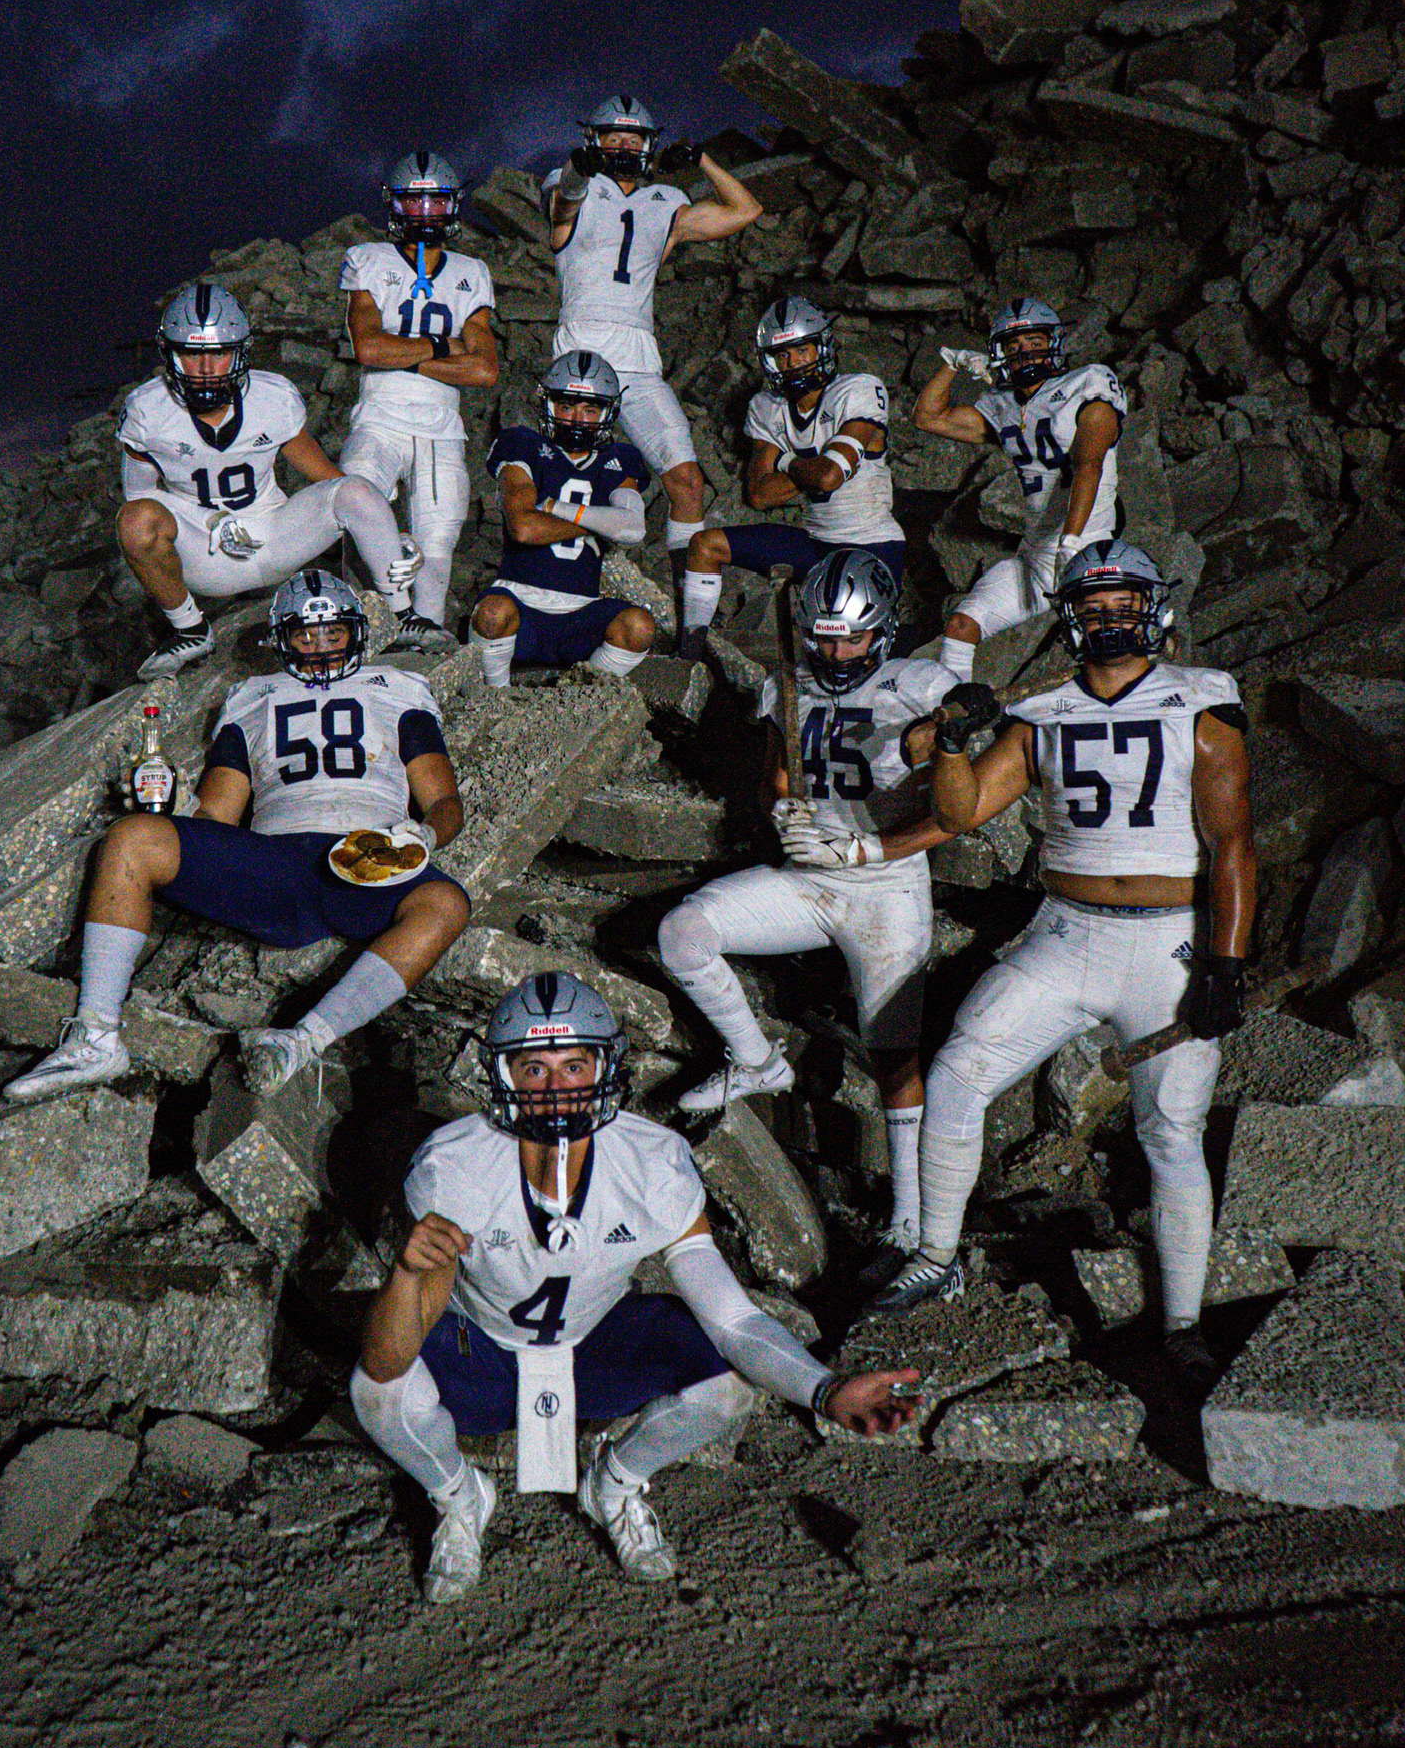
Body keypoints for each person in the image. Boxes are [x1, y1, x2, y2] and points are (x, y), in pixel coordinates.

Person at [350, 971, 921, 1602]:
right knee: (377, 1390)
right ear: (501, 1077)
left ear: (605, 1067)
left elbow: (731, 1319)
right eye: (534, 1069)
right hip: (483, 1348)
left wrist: (822, 1387)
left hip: (594, 1343)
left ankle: (613, 1483)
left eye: (574, 1065)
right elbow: (384, 1361)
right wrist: (406, 1274)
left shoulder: (652, 1161)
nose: (556, 1088)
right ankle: (461, 1496)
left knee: (726, 1389)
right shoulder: (455, 1163)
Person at [873, 542, 1256, 1386]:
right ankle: (938, 1259)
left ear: (1155, 607)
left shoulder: (1204, 704)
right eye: (1094, 604)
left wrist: (1225, 963)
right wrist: (950, 747)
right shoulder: (1041, 711)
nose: (1110, 616)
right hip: (1067, 930)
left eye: (1125, 601)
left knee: (1170, 1131)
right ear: (1070, 616)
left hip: (1170, 940)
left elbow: (1232, 843)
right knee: (960, 1072)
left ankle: (1183, 1321)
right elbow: (966, 808)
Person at [4, 572, 470, 1104]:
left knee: (446, 901)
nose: (319, 647)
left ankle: (303, 1041)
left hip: (367, 855)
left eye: (333, 634)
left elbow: (444, 801)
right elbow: (217, 819)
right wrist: (179, 809)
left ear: (356, 633)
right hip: (272, 860)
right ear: (282, 638)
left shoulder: (399, 689)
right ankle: (95, 1035)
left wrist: (425, 834)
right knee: (133, 837)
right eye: (305, 635)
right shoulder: (251, 697)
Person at [658, 548, 953, 1286]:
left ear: (882, 631)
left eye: (851, 638)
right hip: (811, 877)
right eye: (823, 637)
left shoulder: (916, 682)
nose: (836, 652)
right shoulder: (783, 685)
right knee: (683, 934)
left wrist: (946, 727)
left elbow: (977, 755)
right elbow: (776, 776)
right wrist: (780, 809)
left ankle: (912, 1225)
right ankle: (757, 1063)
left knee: (893, 1055)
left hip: (885, 884)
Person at [117, 284, 421, 677]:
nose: (207, 370)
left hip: (276, 536)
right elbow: (140, 501)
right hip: (203, 555)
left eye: (220, 354)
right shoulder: (147, 410)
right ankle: (190, 629)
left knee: (359, 490)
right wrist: (211, 520)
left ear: (241, 353)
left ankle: (404, 614)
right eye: (192, 355)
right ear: (171, 354)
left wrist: (388, 536)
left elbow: (333, 483)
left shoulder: (272, 398)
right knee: (136, 520)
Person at [548, 94, 770, 588]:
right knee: (570, 482)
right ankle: (553, 587)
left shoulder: (665, 201)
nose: (624, 145)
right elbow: (564, 204)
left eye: (635, 137)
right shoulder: (574, 184)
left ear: (649, 146)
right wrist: (578, 170)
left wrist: (700, 160)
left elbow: (745, 209)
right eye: (614, 136)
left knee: (687, 481)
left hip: (638, 356)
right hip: (581, 354)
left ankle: (689, 617)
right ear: (594, 141)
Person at [679, 294, 905, 662]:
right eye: (782, 355)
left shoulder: (857, 389)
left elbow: (830, 476)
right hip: (815, 544)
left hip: (871, 546)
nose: (793, 362)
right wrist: (806, 469)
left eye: (802, 350)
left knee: (846, 649)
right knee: (705, 545)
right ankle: (688, 655)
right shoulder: (766, 406)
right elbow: (759, 495)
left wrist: (783, 460)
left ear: (823, 346)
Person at [338, 148, 501, 653]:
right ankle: (360, 631)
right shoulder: (367, 258)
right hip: (380, 416)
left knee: (438, 539)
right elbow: (367, 347)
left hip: (441, 425)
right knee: (355, 503)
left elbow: (485, 368)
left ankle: (424, 635)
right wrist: (441, 346)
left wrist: (401, 353)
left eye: (435, 204)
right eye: (415, 203)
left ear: (453, 207)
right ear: (395, 206)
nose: (425, 214)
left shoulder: (473, 270)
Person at [912, 296, 1125, 681]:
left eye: (1035, 343)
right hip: (1034, 555)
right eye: (1014, 346)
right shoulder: (1003, 404)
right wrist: (952, 366)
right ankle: (950, 716)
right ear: (999, 354)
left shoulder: (1088, 383)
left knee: (1101, 656)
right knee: (961, 627)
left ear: (1054, 344)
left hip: (1089, 547)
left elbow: (1088, 465)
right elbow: (928, 417)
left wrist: (1072, 542)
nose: (1026, 353)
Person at [470, 352, 656, 689]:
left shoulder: (620, 458)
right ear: (549, 405)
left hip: (581, 613)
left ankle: (575, 700)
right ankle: (493, 700)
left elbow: (634, 527)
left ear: (607, 412)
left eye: (590, 409)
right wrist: (603, 521)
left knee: (639, 626)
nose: (576, 419)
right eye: (566, 406)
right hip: (518, 604)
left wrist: (554, 507)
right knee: (492, 613)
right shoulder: (522, 444)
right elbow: (525, 528)